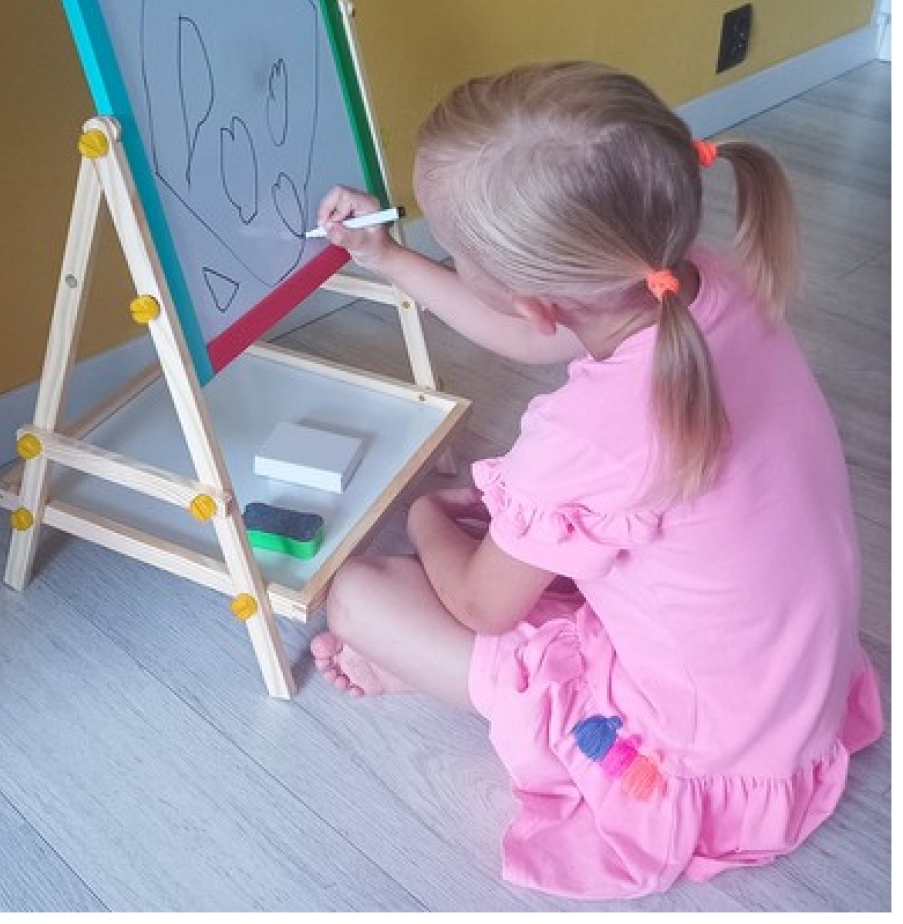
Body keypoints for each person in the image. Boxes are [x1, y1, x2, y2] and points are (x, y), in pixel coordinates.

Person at [309, 61, 882, 900]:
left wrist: (427, 512)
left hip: (694, 760)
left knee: (358, 592)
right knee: (512, 554)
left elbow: (482, 606)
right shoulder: (702, 282)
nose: (449, 259)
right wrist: (389, 259)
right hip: (790, 699)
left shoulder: (590, 432)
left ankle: (437, 672)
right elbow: (539, 337)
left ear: (538, 300)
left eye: (455, 253)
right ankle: (428, 661)